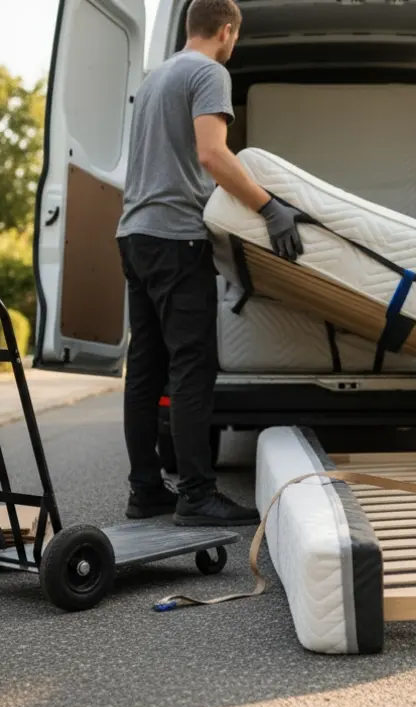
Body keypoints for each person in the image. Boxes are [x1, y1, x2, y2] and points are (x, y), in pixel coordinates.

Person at [116, 0, 306, 525]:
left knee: (146, 371)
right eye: (235, 37)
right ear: (226, 31)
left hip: (134, 235)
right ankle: (196, 495)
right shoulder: (209, 72)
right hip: (176, 239)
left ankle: (146, 489)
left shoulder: (157, 78)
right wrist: (270, 207)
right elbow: (212, 155)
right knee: (191, 367)